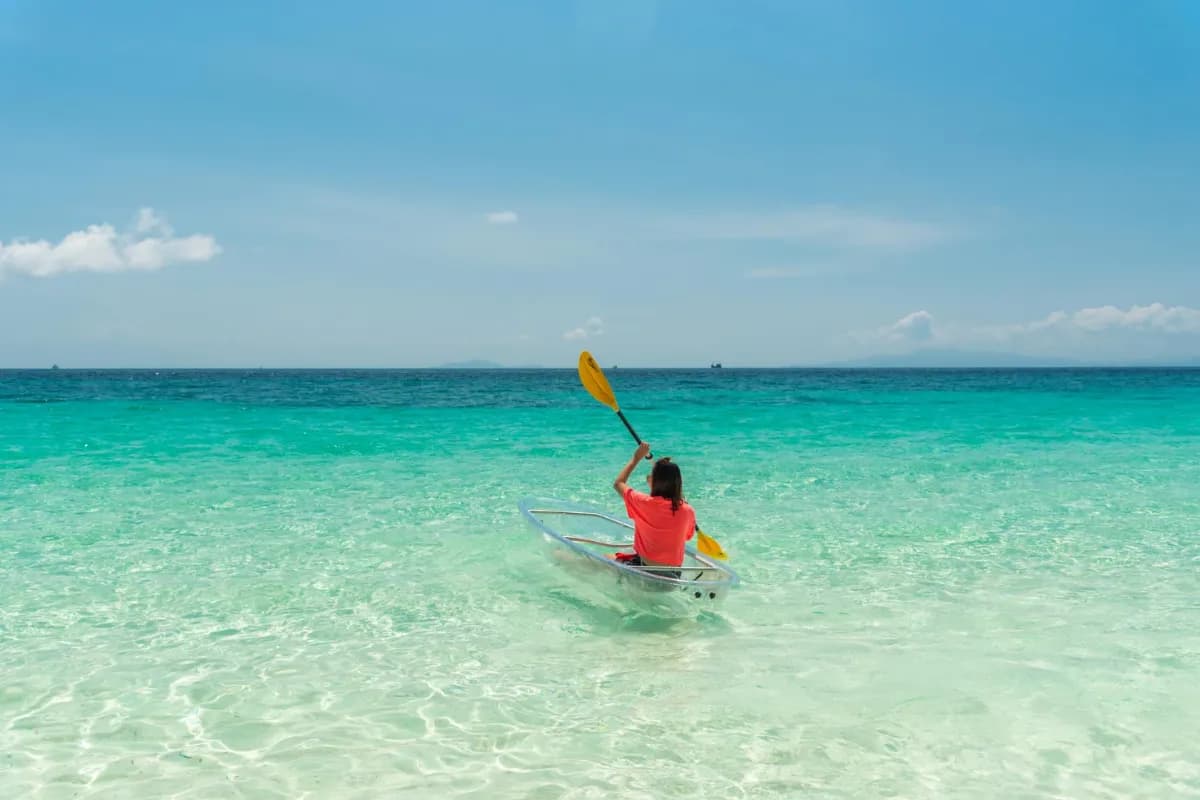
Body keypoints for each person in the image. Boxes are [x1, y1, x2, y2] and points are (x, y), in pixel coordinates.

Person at [612, 442, 696, 574]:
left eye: (650, 476)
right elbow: (686, 536)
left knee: (607, 558)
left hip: (644, 570)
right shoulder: (687, 510)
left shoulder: (642, 502)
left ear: (653, 481)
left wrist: (636, 458)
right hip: (673, 576)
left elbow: (618, 483)